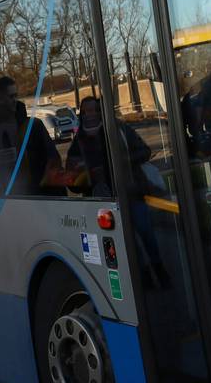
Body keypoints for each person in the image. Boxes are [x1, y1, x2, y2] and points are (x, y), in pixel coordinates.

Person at [66, 96, 170, 286]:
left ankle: (159, 269)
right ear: (82, 114)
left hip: (131, 192)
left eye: (95, 110)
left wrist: (119, 162)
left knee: (145, 232)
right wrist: (86, 174)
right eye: (87, 111)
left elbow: (145, 151)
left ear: (102, 112)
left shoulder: (120, 129)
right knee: (121, 240)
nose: (91, 115)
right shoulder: (78, 142)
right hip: (103, 202)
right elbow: (72, 182)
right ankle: (142, 276)